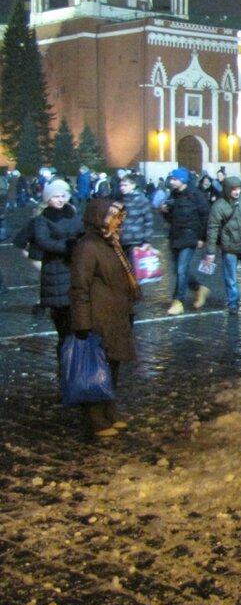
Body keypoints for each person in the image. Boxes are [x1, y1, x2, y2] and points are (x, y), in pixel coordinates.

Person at [69, 199, 141, 436]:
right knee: (95, 368)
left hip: (115, 315)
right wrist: (82, 323)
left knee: (113, 365)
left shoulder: (111, 244)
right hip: (98, 317)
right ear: (101, 218)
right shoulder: (88, 246)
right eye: (116, 217)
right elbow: (80, 287)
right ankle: (95, 418)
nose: (120, 222)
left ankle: (109, 412)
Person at [32, 179, 84, 355]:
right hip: (55, 271)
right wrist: (68, 246)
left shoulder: (72, 213)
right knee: (62, 318)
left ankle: (76, 355)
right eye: (56, 196)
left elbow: (82, 231)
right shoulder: (42, 219)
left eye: (63, 196)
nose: (60, 200)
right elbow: (43, 241)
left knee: (77, 316)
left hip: (74, 269)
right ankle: (65, 357)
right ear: (48, 199)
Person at [203, 175, 241, 314]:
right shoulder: (219, 206)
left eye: (238, 188)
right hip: (229, 248)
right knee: (231, 279)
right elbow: (212, 229)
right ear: (227, 190)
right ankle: (233, 304)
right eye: (233, 189)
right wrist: (210, 252)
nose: (237, 191)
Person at [161, 168, 210, 314]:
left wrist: (202, 237)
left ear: (182, 180)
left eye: (174, 179)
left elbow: (205, 217)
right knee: (178, 270)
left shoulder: (196, 195)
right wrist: (165, 213)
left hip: (190, 236)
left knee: (182, 269)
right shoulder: (173, 195)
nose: (171, 181)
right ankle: (199, 288)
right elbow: (172, 219)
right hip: (175, 236)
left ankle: (178, 301)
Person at [115, 174, 154, 267]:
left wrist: (147, 241)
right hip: (121, 240)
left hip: (136, 240)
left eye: (125, 185)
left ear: (133, 185)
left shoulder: (141, 199)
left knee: (133, 270)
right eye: (121, 185)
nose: (122, 188)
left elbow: (148, 221)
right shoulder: (118, 199)